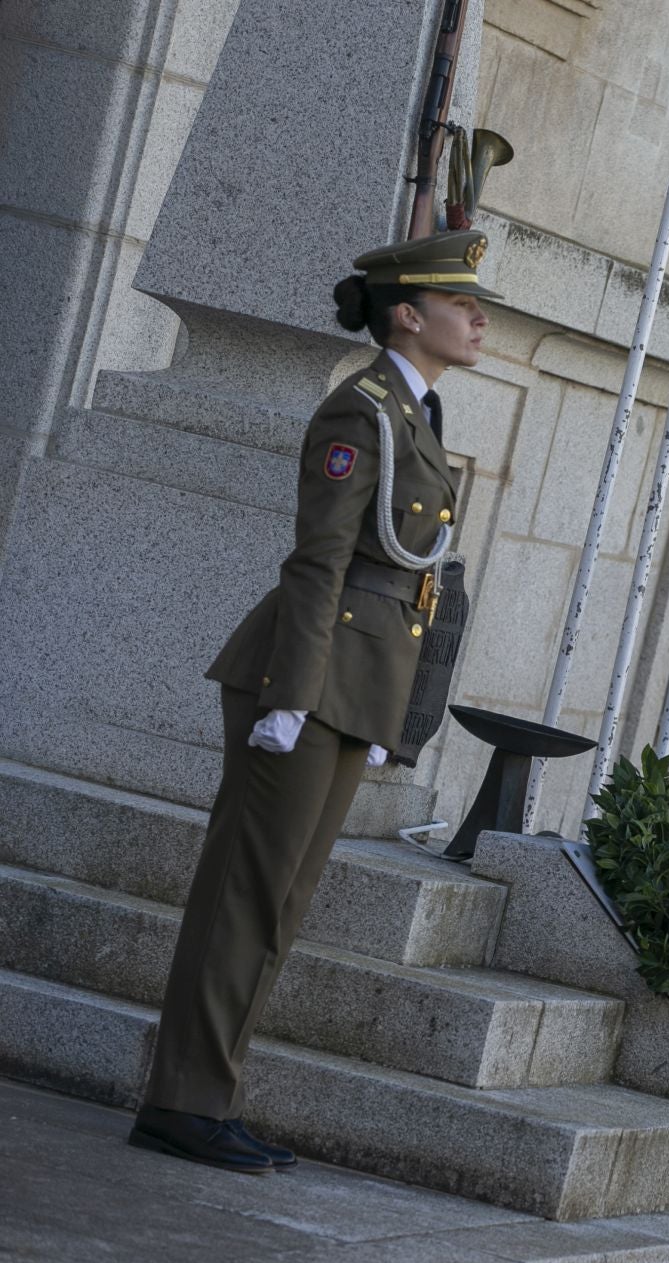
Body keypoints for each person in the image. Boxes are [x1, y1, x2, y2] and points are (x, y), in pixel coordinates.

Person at [129, 231, 499, 1173]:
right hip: (305, 675)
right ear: (408, 315)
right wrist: (291, 697)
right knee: (245, 895)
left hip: (354, 680)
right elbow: (319, 561)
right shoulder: (360, 412)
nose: (479, 318)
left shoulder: (418, 412)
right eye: (462, 305)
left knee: (281, 904)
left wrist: (388, 713)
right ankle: (183, 1102)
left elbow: (409, 584)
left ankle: (206, 1096)